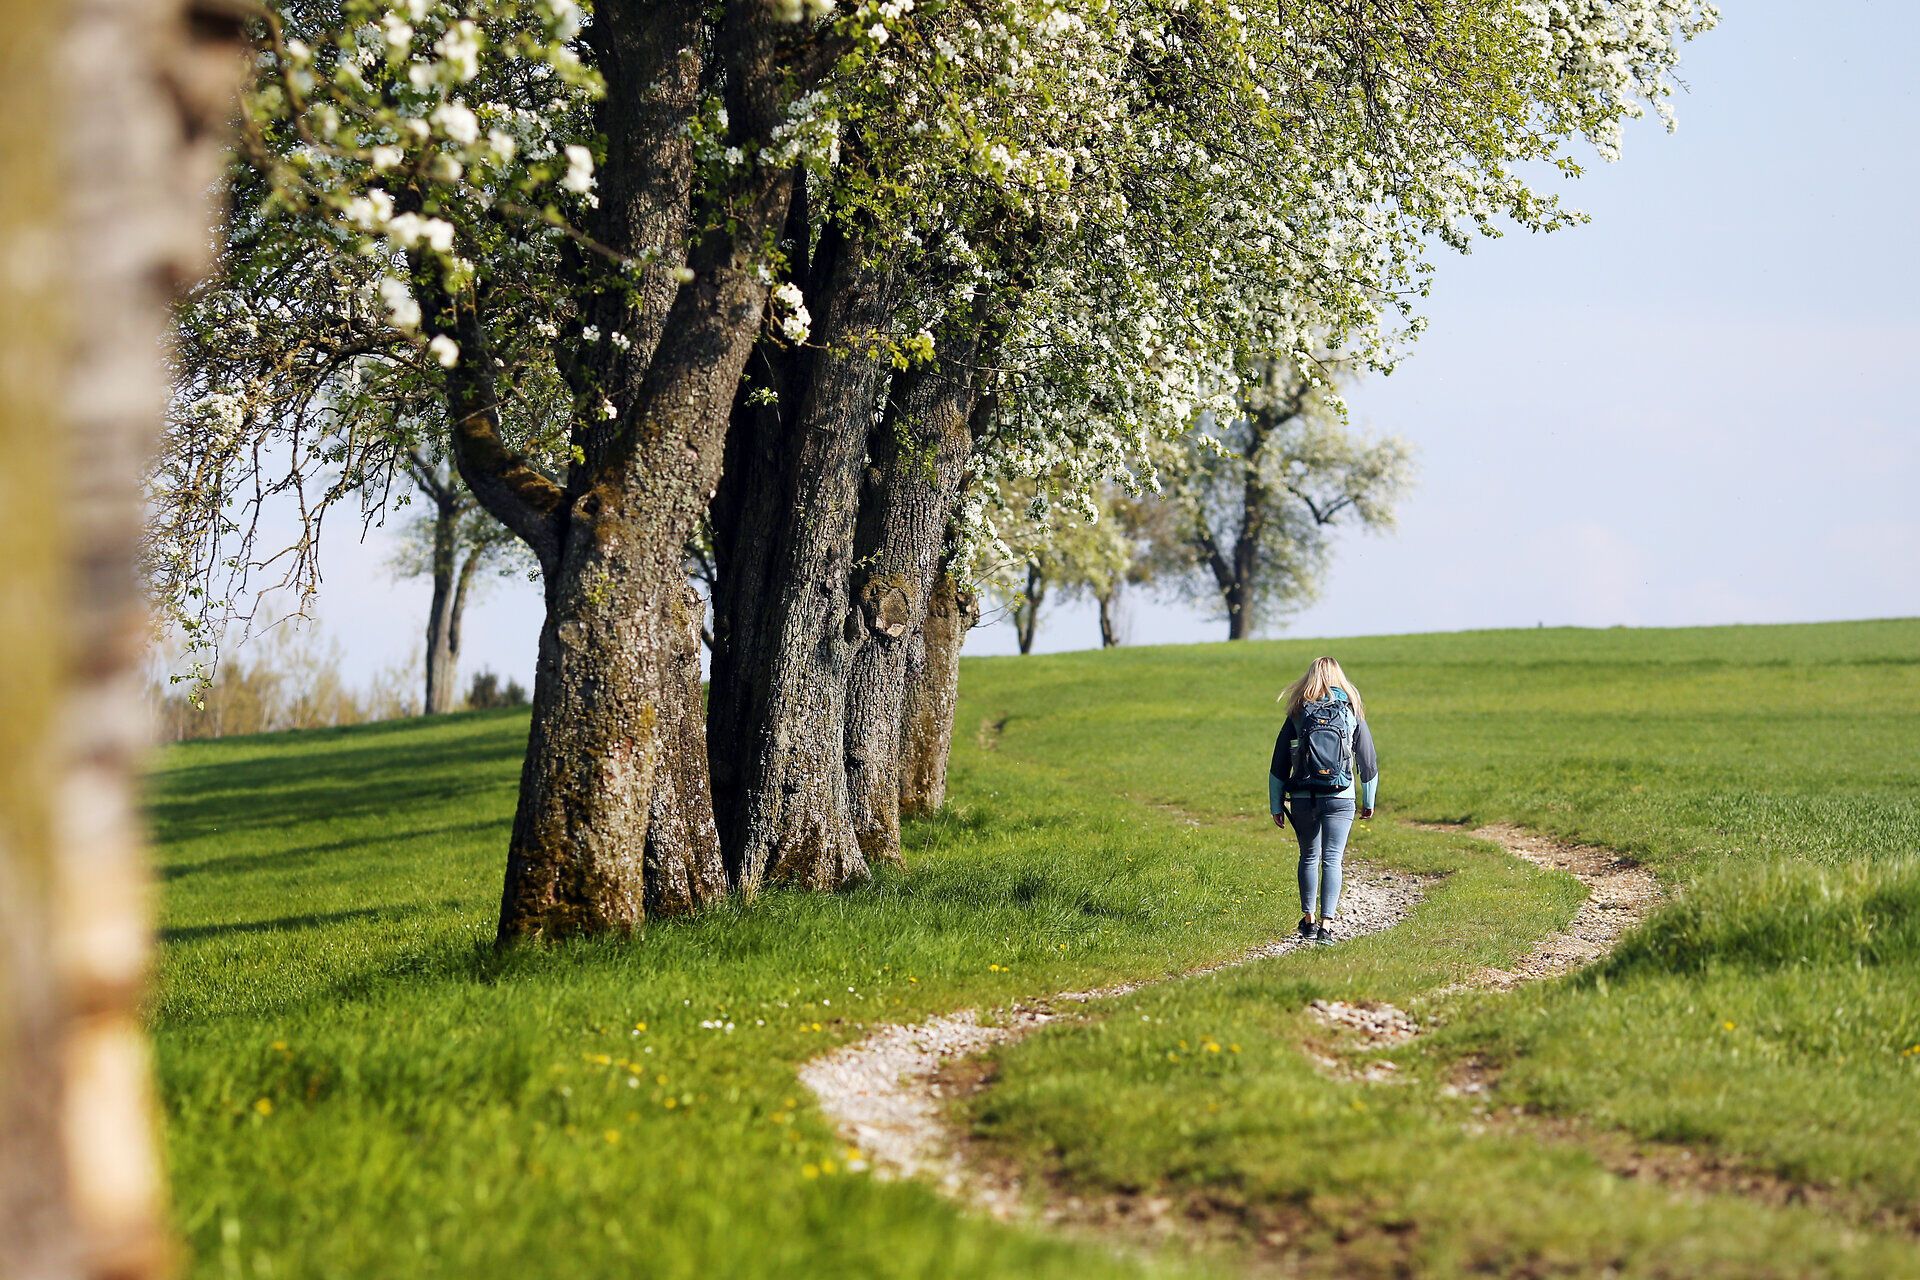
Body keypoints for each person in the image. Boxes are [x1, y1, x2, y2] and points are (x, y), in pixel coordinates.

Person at [1269, 656, 1379, 946]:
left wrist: (1275, 804)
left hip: (1304, 796)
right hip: (1341, 796)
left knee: (1309, 856)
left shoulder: (1298, 711)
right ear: (1339, 678)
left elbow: (1279, 762)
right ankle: (1327, 927)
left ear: (1311, 677)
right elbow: (1367, 760)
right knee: (1333, 859)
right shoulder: (1351, 710)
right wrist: (1369, 800)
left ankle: (1308, 920)